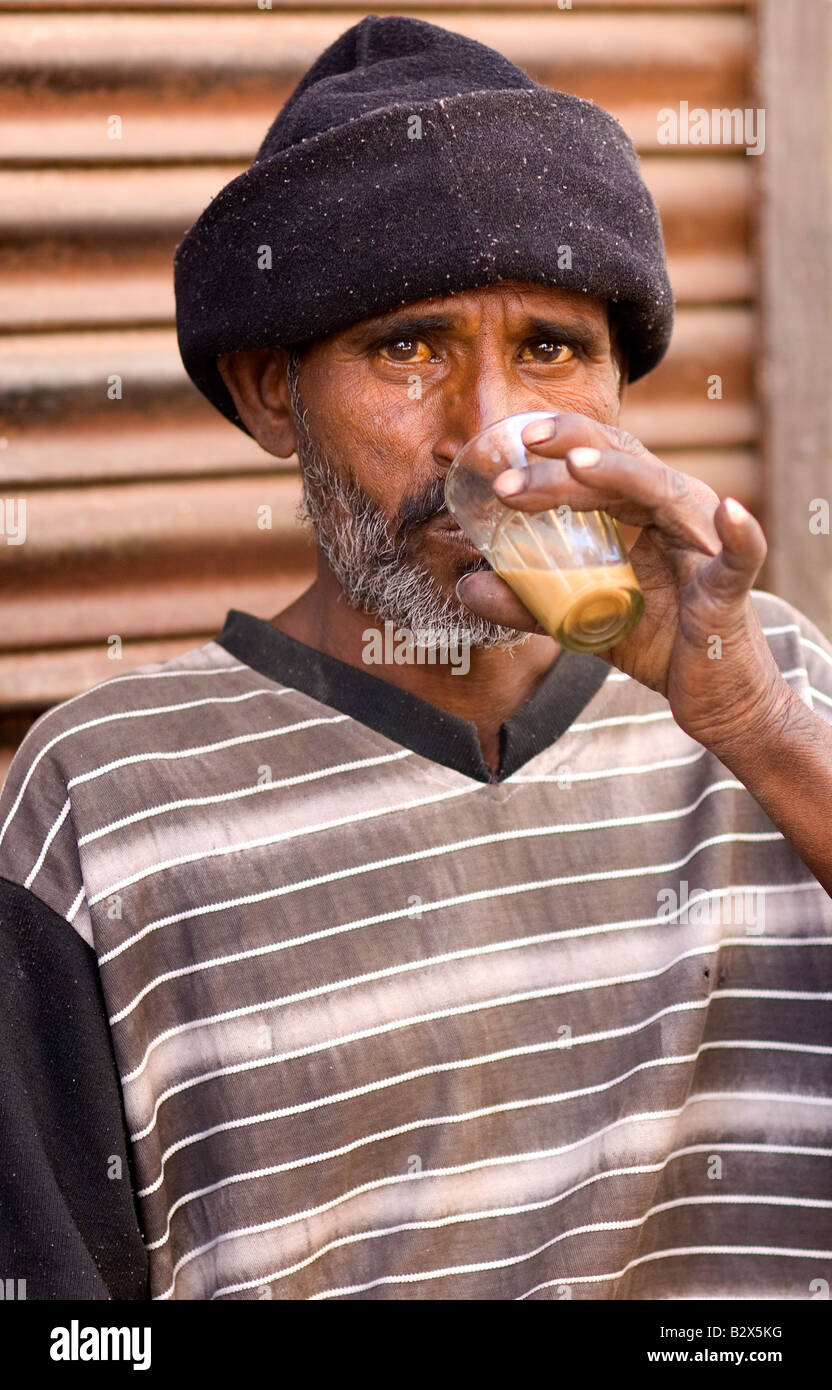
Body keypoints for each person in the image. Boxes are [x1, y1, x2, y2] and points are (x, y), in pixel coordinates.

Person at [1, 15, 830, 1302]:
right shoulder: (104, 799)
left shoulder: (772, 688)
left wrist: (755, 720)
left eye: (550, 348)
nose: (490, 439)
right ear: (274, 392)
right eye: (409, 349)